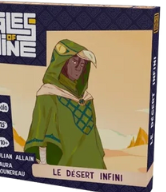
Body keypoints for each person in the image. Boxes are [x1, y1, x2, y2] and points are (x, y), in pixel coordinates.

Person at [24, 39, 106, 169]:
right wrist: (45, 165)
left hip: (92, 167)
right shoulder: (48, 95)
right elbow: (41, 134)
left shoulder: (86, 99)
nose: (79, 67)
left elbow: (93, 136)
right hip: (63, 167)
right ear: (61, 63)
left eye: (83, 63)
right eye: (75, 61)